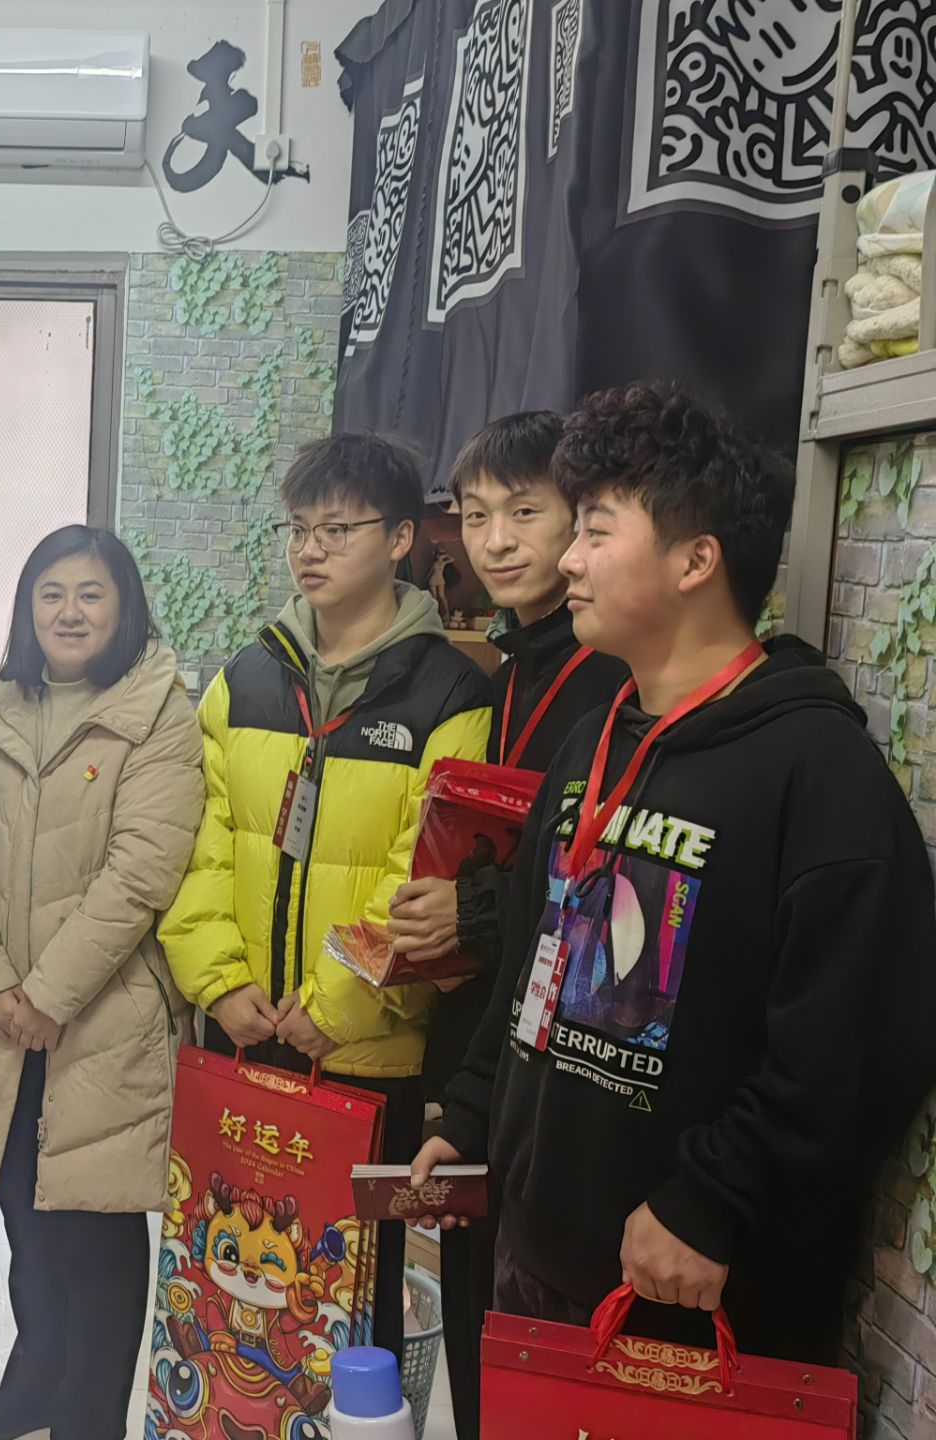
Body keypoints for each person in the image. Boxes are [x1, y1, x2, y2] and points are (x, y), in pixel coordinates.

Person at [414, 382, 936, 1365]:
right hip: (540, 1248)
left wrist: (713, 1197)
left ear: (697, 560)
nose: (569, 558)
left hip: (685, 1286)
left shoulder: (815, 769)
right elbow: (536, 953)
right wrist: (476, 1108)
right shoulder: (595, 740)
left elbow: (859, 1043)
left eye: (596, 530)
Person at [160, 432, 490, 1362]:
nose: (310, 550)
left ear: (400, 540)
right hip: (244, 1030)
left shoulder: (451, 694)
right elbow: (201, 845)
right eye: (299, 529)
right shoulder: (245, 679)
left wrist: (334, 1003)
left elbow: (422, 872)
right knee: (229, 1271)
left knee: (349, 1295)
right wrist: (220, 982)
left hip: (367, 1052)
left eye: (337, 530)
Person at [382, 413, 628, 1440]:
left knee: (527, 1333)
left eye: (525, 513)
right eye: (477, 516)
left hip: (554, 1053)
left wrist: (474, 908)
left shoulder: (609, 675)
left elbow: (597, 878)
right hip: (486, 1026)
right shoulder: (510, 665)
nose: (495, 541)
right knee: (478, 1305)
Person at [0, 527, 203, 1440]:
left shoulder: (159, 709)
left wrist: (48, 996)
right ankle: (38, 1379)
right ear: (27, 609)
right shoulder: (6, 703)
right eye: (51, 594)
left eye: (92, 594)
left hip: (102, 1019)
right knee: (24, 1211)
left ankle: (90, 1417)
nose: (70, 612)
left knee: (94, 1230)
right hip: (6, 1020)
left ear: (124, 607)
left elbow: (142, 870)